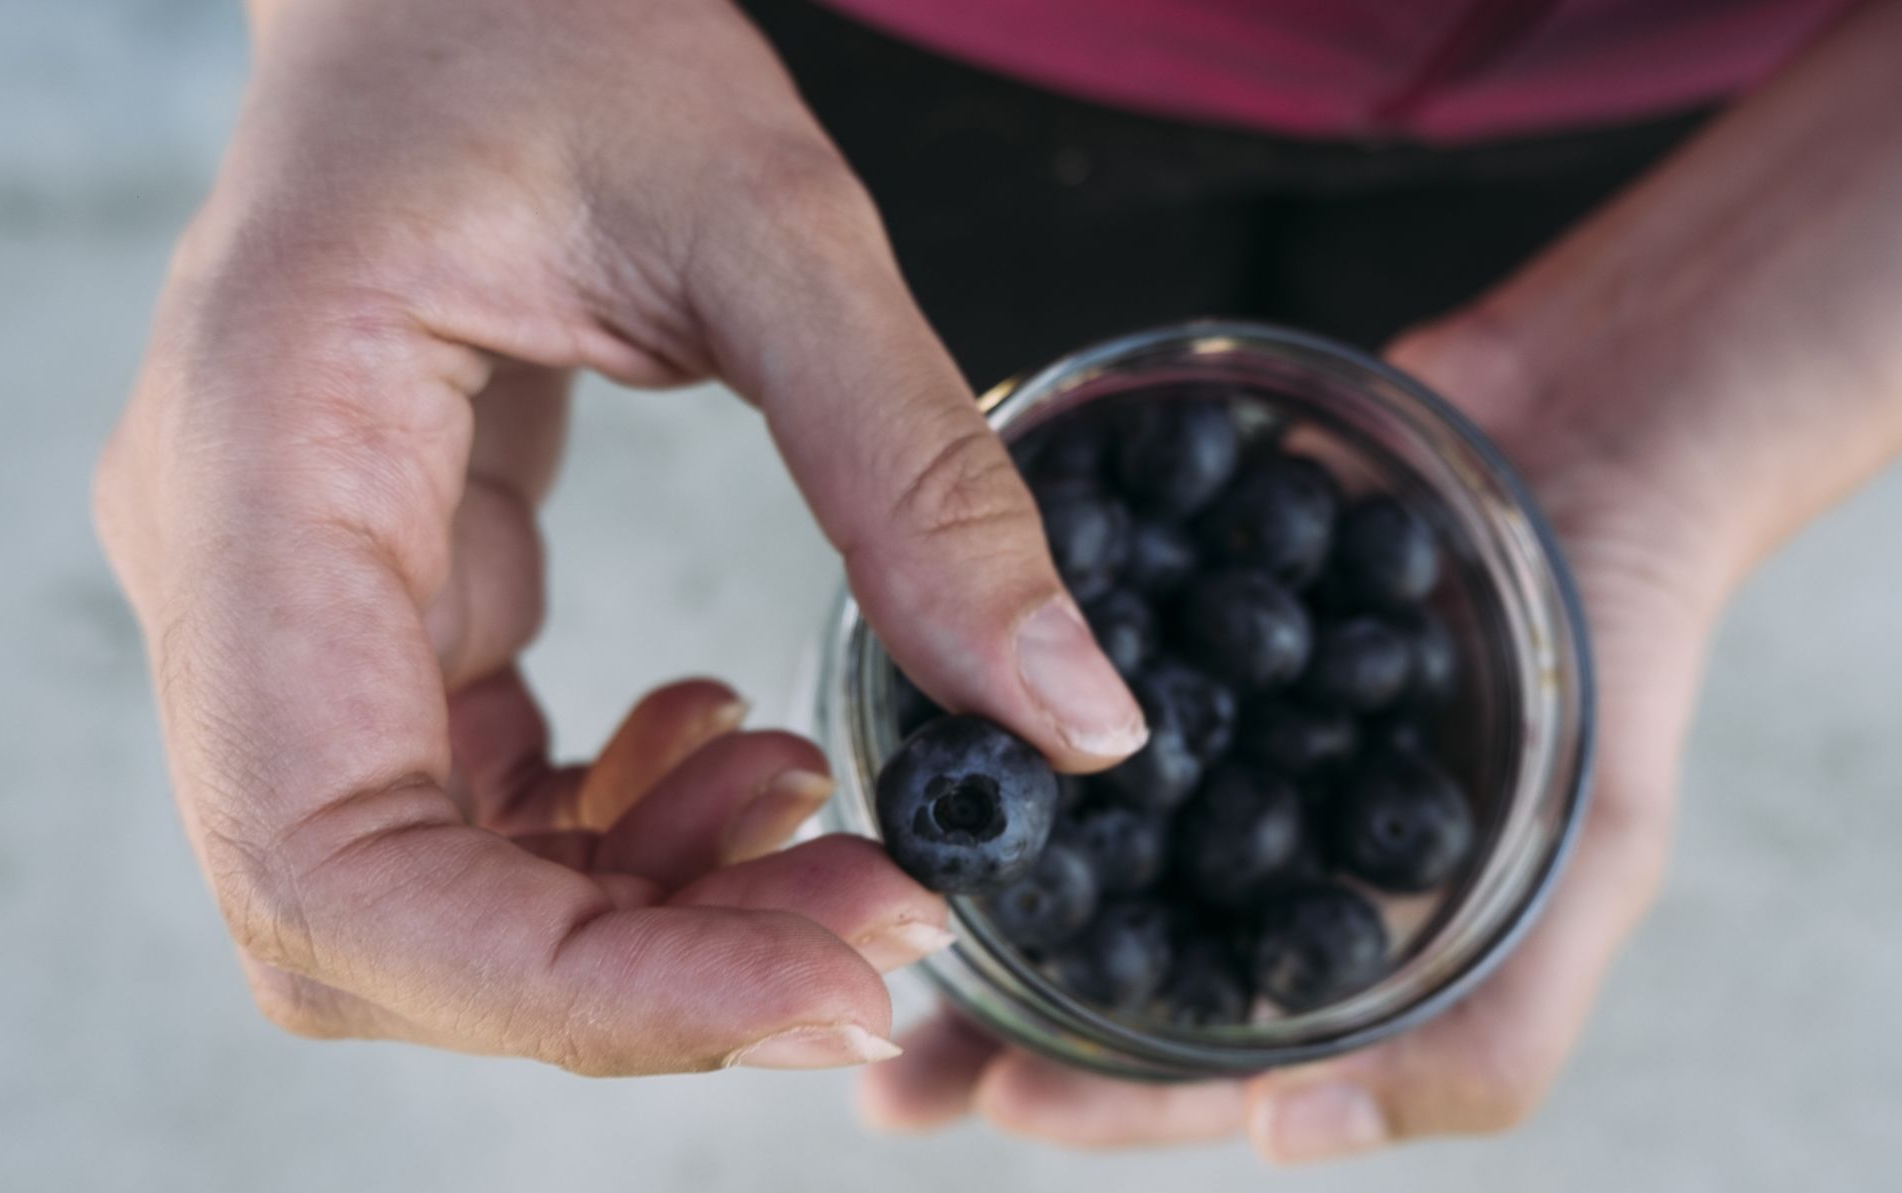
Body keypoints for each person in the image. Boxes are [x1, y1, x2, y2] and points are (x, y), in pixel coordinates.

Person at [92, 0, 1902, 1164]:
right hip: (901, 52)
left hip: (1696, 108)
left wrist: (1706, 360)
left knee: (1136, 455)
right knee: (991, 400)